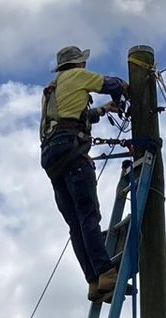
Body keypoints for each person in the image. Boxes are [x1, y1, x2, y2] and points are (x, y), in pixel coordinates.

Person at [41, 45, 128, 303]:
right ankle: (105, 273)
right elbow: (111, 83)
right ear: (78, 63)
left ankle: (93, 281)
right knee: (89, 216)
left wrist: (104, 110)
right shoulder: (77, 76)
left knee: (76, 224)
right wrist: (126, 90)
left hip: (51, 158)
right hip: (72, 151)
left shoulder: (51, 89)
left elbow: (71, 116)